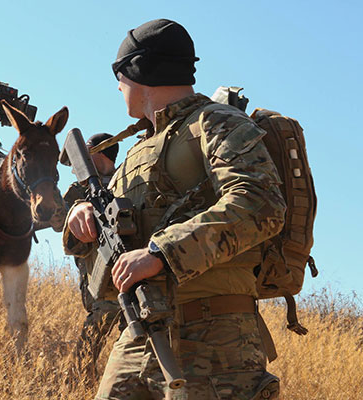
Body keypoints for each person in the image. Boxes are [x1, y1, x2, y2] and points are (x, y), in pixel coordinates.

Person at [63, 19, 286, 399]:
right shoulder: (136, 152)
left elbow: (260, 203)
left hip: (217, 336)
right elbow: (110, 233)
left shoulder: (216, 123)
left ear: (137, 72)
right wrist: (79, 216)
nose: (119, 89)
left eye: (121, 78)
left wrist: (161, 253)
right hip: (138, 335)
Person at [59, 133, 122, 379]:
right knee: (95, 328)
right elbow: (61, 226)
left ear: (100, 152)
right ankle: (77, 382)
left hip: (127, 266)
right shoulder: (77, 190)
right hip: (97, 272)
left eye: (87, 152)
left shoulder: (128, 177)